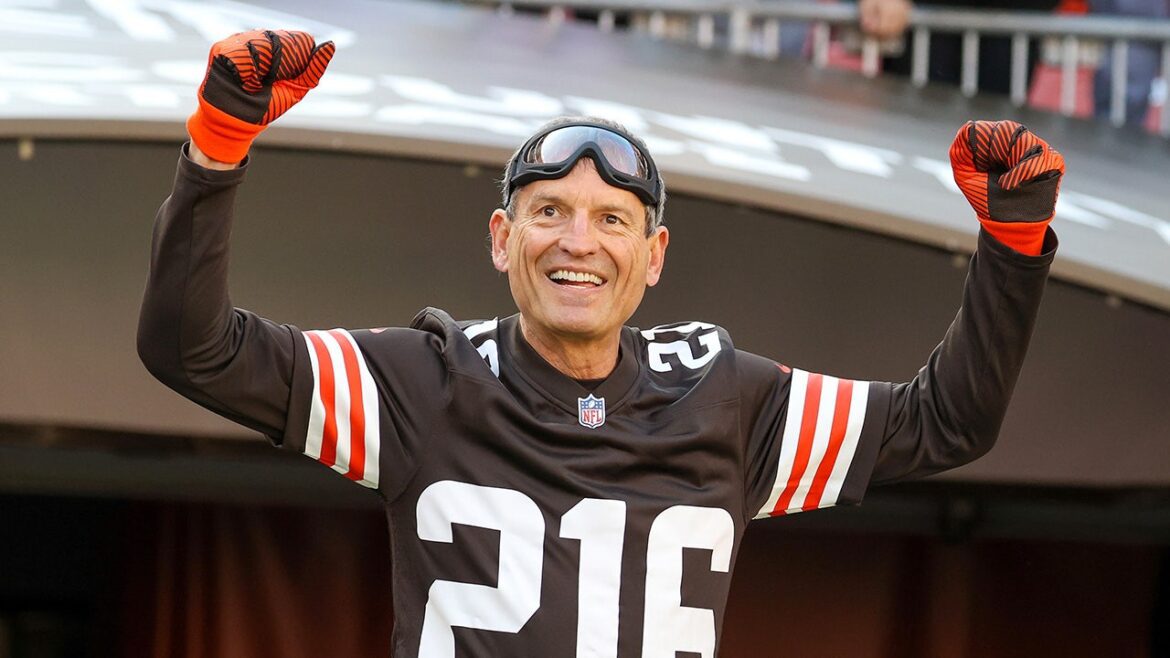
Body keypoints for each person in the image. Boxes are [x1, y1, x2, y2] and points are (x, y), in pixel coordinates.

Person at [138, 30, 1063, 658]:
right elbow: (194, 349)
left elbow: (950, 422)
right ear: (502, 239)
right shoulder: (423, 380)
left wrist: (1014, 250)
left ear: (653, 256)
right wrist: (219, 144)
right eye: (549, 212)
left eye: (611, 220)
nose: (578, 242)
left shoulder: (724, 399)